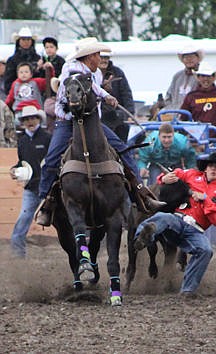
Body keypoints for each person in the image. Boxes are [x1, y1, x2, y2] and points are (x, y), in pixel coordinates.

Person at [35, 37, 165, 227]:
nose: (100, 58)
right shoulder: (71, 70)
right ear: (89, 56)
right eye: (97, 54)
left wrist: (106, 95)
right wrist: (106, 96)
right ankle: (45, 201)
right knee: (52, 158)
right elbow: (72, 100)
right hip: (68, 122)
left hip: (91, 122)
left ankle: (141, 193)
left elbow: (94, 88)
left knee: (122, 149)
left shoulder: (95, 74)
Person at [133, 152, 216, 297]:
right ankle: (142, 238)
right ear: (205, 168)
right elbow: (175, 175)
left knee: (205, 250)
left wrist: (205, 199)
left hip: (195, 230)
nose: (213, 169)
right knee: (163, 217)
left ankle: (188, 290)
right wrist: (164, 178)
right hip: (178, 220)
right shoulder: (192, 175)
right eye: (210, 166)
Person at [9, 106, 51, 258]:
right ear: (23, 122)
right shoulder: (23, 141)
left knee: (64, 220)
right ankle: (17, 256)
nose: (30, 121)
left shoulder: (47, 138)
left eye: (32, 118)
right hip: (31, 188)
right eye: (27, 119)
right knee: (23, 220)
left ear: (38, 119)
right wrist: (15, 170)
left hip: (48, 190)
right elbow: (22, 162)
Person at [181, 61, 216, 134]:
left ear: (213, 77)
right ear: (198, 77)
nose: (206, 79)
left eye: (208, 76)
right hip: (198, 138)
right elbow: (183, 118)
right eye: (203, 76)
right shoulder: (191, 96)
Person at [98, 51, 134, 142]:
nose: (104, 60)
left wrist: (130, 113)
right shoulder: (90, 73)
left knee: (121, 142)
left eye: (106, 58)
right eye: (101, 57)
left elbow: (126, 93)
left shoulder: (117, 72)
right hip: (98, 115)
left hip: (117, 114)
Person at [4, 27, 44, 94]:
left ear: (32, 41)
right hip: (17, 95)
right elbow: (8, 83)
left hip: (36, 95)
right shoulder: (12, 60)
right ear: (18, 41)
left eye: (28, 39)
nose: (26, 42)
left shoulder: (38, 58)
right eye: (23, 39)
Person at [163, 45, 204, 110]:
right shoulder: (177, 76)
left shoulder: (203, 75)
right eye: (186, 57)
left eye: (192, 57)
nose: (189, 60)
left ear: (198, 58)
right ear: (182, 60)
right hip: (175, 115)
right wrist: (170, 109)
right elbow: (168, 97)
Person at [41, 37, 66, 133]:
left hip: (57, 91)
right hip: (46, 93)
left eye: (51, 47)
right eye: (46, 47)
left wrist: (52, 69)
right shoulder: (42, 61)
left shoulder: (60, 61)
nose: (49, 49)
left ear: (56, 48)